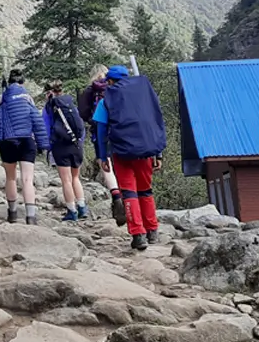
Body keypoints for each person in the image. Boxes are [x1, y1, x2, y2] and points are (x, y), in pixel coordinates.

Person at [91, 65, 167, 251]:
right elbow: (156, 122)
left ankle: (138, 235)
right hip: (146, 151)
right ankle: (152, 231)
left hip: (121, 152)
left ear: (110, 81)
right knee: (145, 190)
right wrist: (158, 153)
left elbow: (101, 131)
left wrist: (102, 156)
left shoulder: (106, 101)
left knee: (129, 192)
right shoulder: (145, 98)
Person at [0, 70, 49, 224]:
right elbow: (36, 120)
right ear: (22, 82)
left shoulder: (1, 98)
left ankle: (12, 214)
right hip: (26, 140)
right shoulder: (27, 98)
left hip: (8, 140)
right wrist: (42, 143)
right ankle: (31, 217)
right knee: (27, 179)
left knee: (10, 177)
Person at [80, 65, 125, 225]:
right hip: (120, 131)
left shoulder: (89, 90)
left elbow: (83, 113)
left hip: (99, 131)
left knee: (104, 162)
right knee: (121, 163)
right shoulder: (117, 87)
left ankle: (116, 195)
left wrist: (92, 121)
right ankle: (126, 194)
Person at [43, 81, 87, 221]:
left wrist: (48, 147)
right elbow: (80, 126)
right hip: (76, 145)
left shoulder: (50, 108)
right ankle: (82, 207)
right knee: (75, 177)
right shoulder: (70, 104)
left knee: (66, 180)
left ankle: (72, 211)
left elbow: (47, 127)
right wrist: (79, 141)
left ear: (49, 93)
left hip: (60, 146)